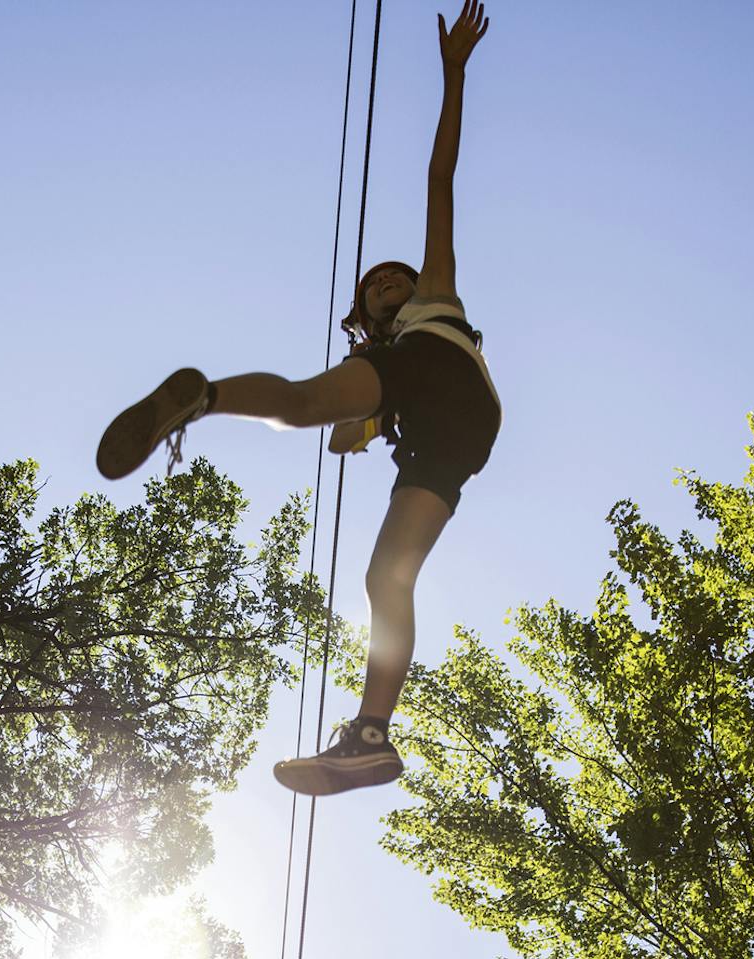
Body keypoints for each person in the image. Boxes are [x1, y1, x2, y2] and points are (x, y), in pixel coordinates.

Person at [96, 2, 499, 797]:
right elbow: (350, 428)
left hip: (440, 376)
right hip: (453, 438)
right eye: (375, 284)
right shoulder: (382, 360)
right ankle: (371, 737)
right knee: (386, 580)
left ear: (416, 284)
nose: (388, 282)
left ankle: (201, 397)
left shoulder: (433, 302)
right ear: (365, 310)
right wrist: (362, 425)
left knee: (297, 401)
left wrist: (453, 74)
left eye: (395, 275)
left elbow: (439, 177)